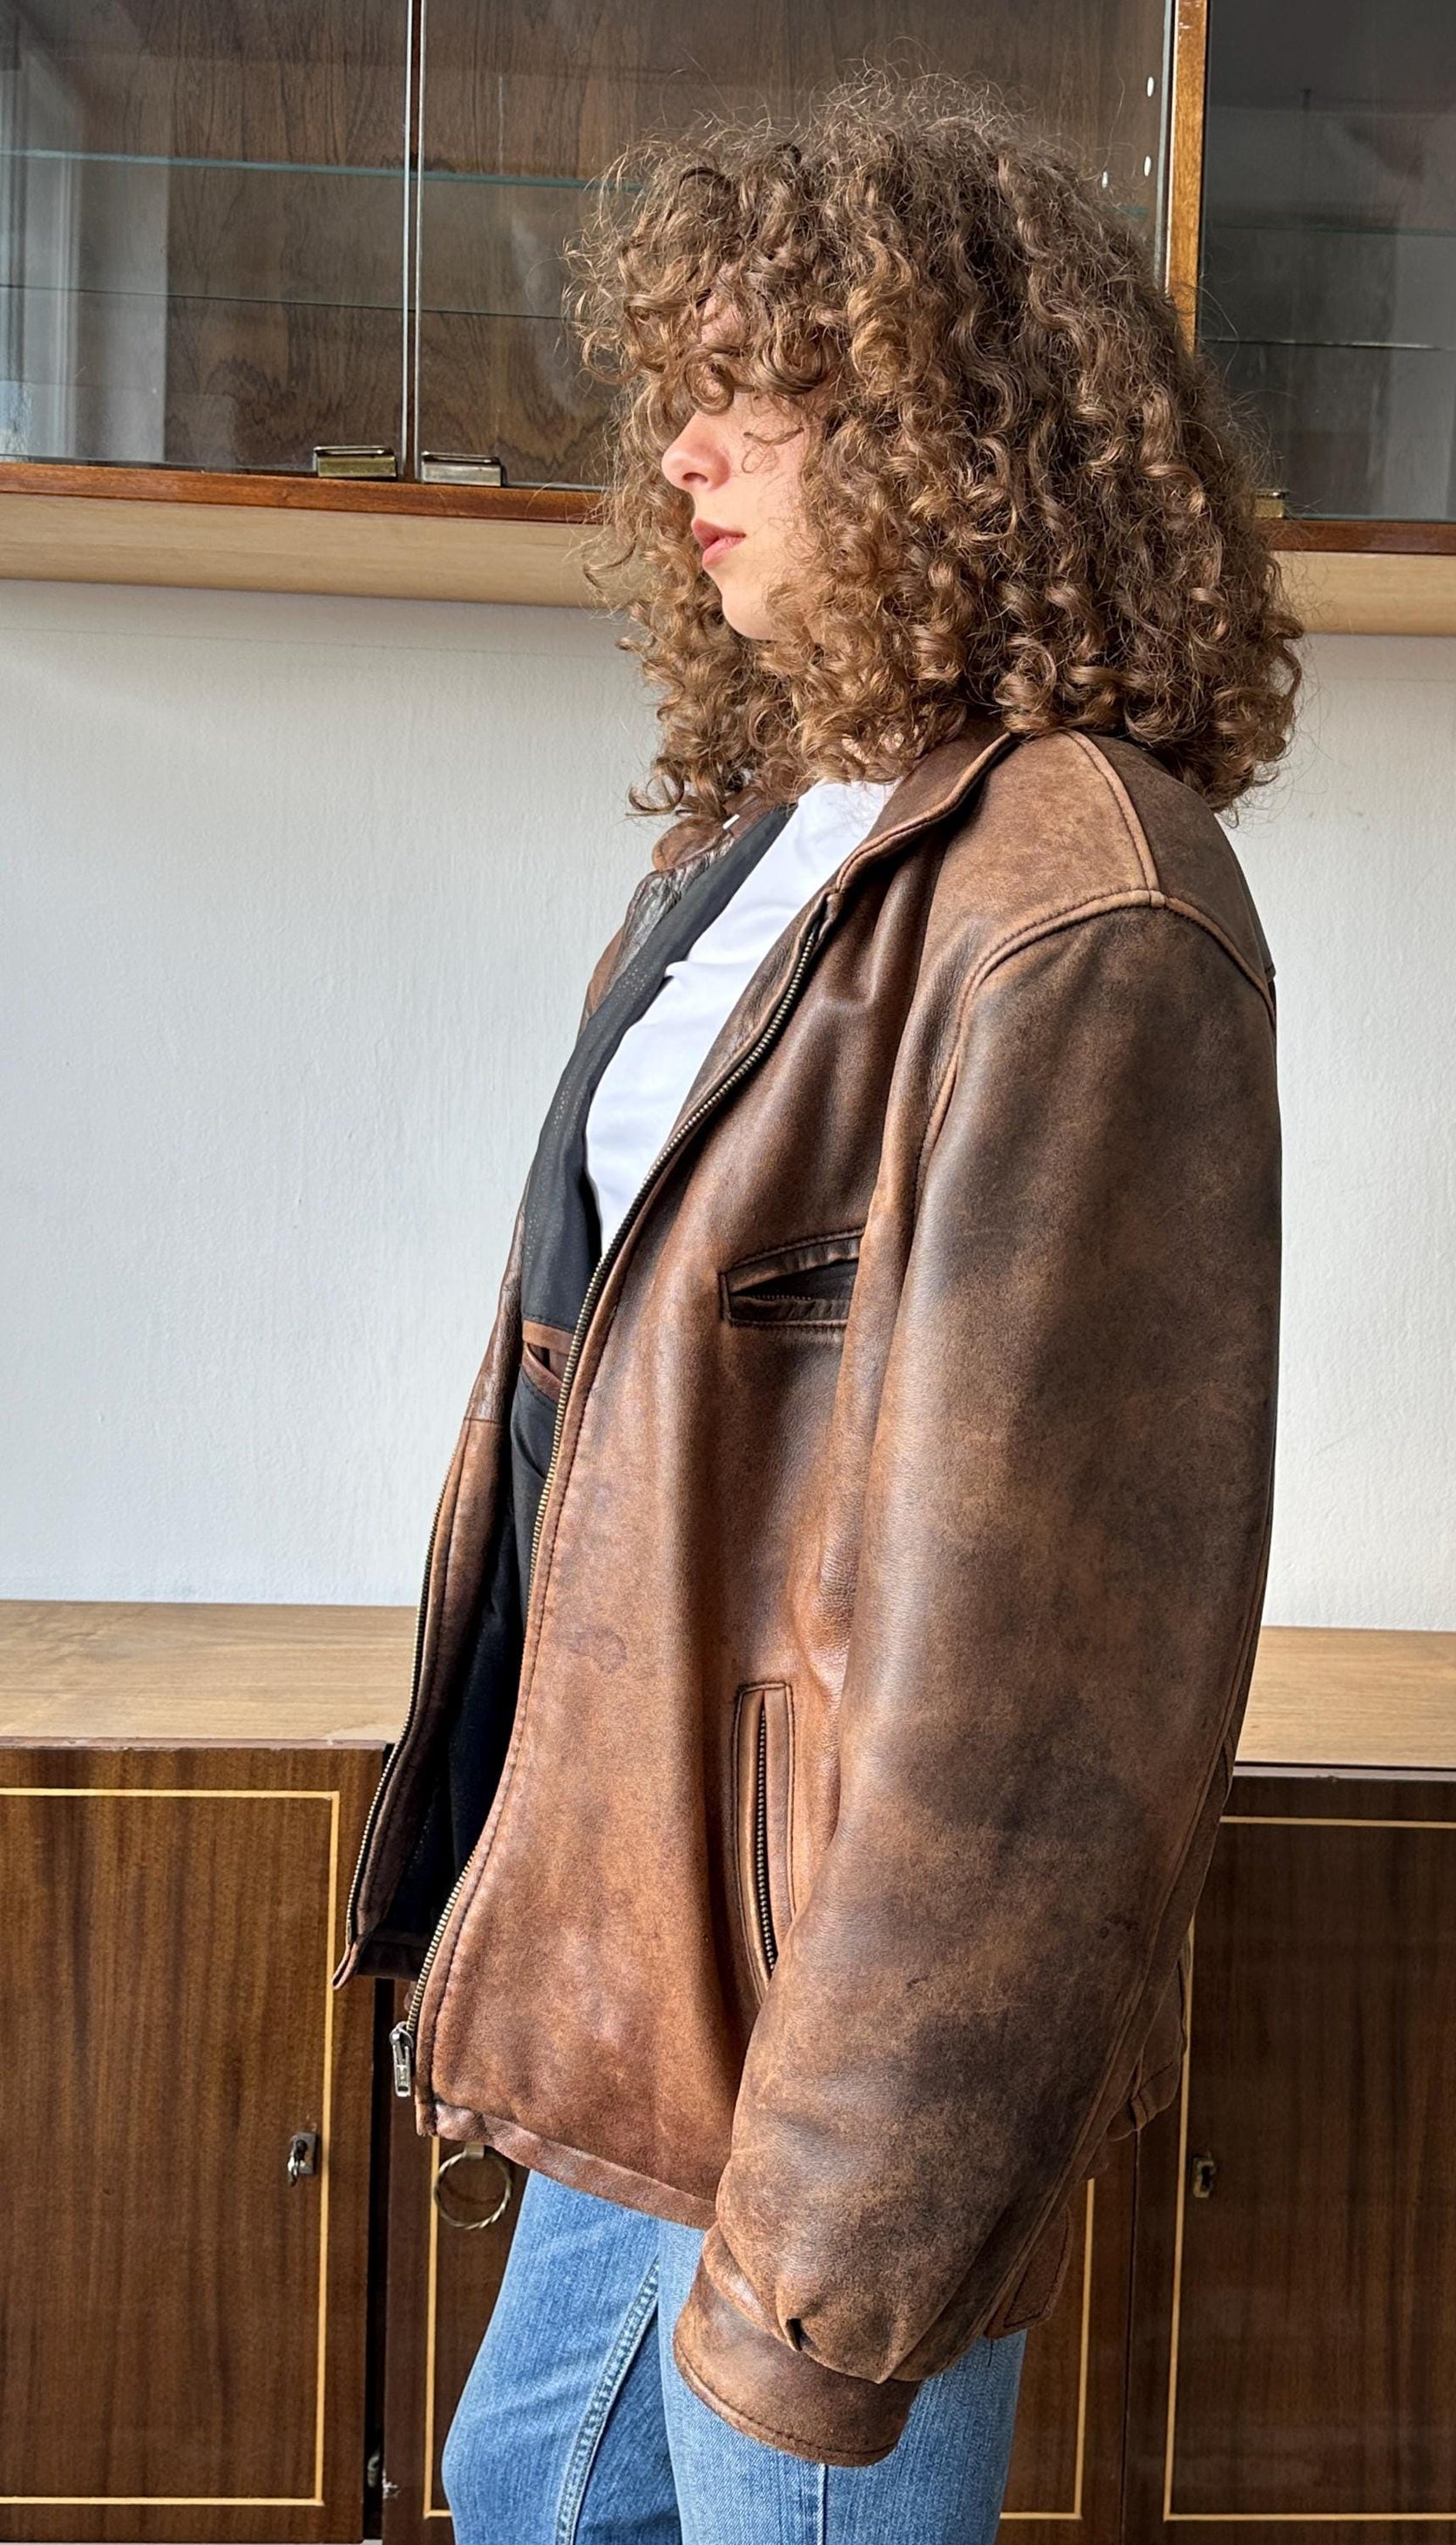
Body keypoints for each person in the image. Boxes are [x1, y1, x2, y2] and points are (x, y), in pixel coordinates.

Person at [333, 72, 1297, 2545]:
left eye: (757, 388)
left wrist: (839, 2260)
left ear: (949, 430)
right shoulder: (763, 852)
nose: (682, 455)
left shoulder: (1079, 903)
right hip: (652, 1996)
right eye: (681, 386)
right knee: (524, 2495)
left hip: (831, 2058)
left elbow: (1040, 1691)